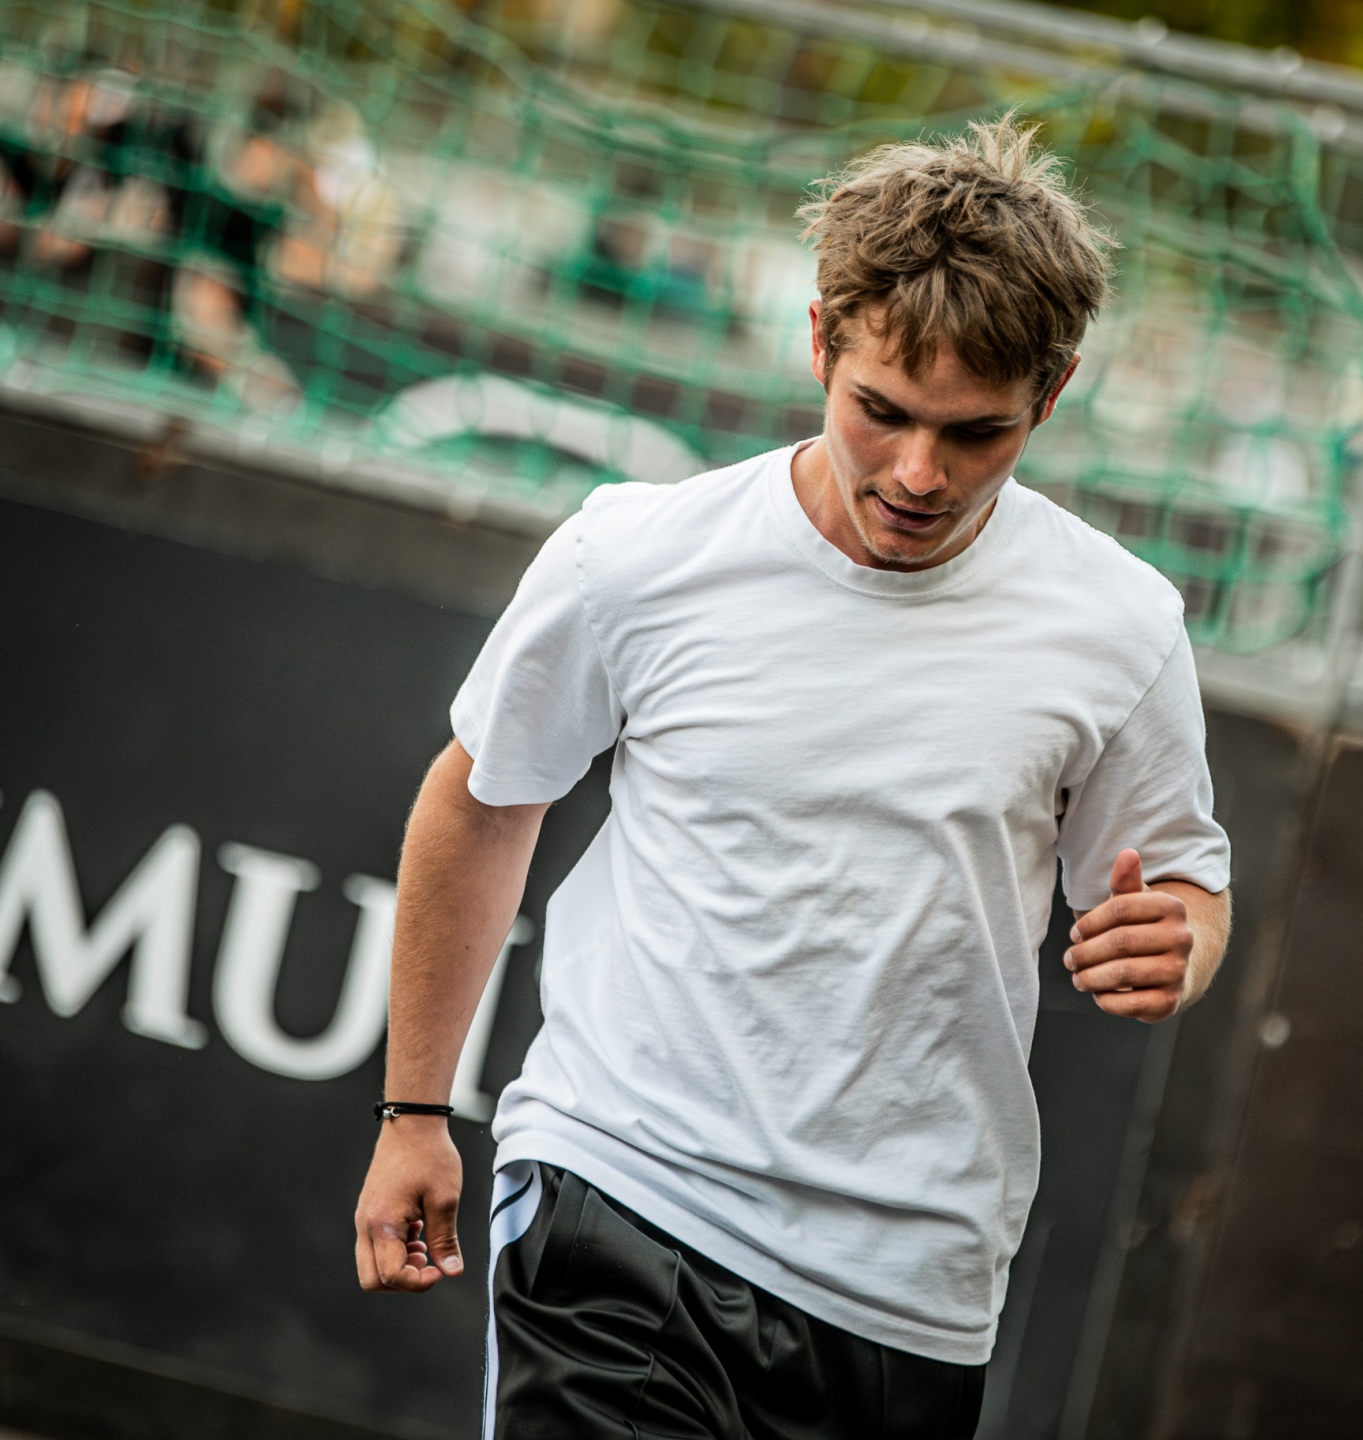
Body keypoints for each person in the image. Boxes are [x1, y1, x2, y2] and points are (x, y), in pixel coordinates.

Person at [352, 116, 1233, 1439]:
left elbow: (1186, 887)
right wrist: (415, 1108)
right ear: (821, 343)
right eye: (882, 411)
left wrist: (1182, 944)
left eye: (977, 433)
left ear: (1051, 396)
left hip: (908, 1291)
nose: (920, 473)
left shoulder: (1122, 626)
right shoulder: (637, 554)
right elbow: (481, 803)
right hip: (618, 1194)